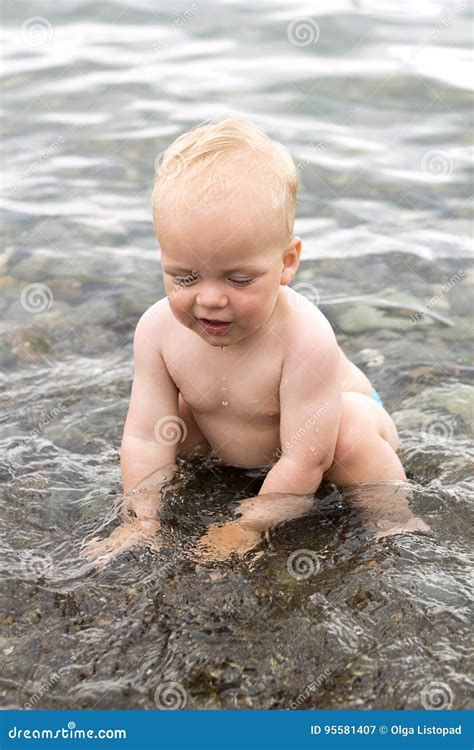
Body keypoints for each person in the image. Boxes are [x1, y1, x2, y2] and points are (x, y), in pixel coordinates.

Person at [84, 118, 429, 565]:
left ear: (286, 263)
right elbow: (145, 436)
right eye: (184, 276)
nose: (209, 299)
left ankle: (393, 521)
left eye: (240, 279)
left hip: (320, 440)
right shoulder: (156, 331)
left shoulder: (305, 336)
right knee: (173, 425)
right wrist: (141, 521)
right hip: (240, 438)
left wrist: (245, 529)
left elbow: (308, 456)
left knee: (351, 430)